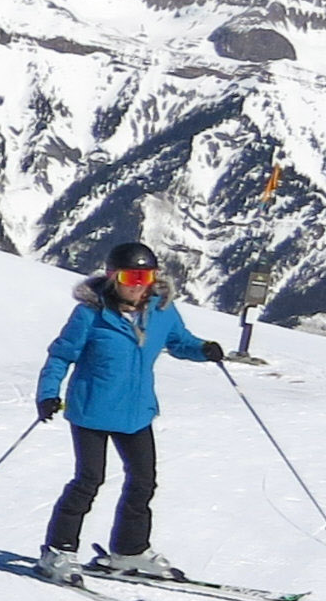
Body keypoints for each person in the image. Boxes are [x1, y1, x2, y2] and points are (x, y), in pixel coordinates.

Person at [35, 240, 260, 580]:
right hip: (91, 410)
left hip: (137, 412)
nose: (138, 283)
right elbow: (61, 355)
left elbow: (180, 342)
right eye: (130, 275)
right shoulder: (91, 314)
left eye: (146, 275)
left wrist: (204, 350)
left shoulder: (162, 310)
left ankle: (129, 551)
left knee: (143, 482)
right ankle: (58, 552)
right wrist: (48, 393)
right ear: (113, 277)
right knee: (88, 481)